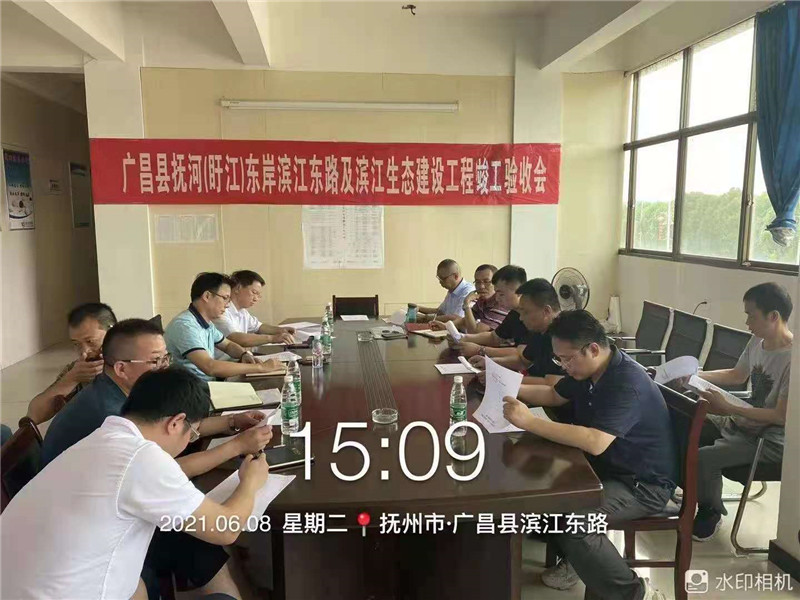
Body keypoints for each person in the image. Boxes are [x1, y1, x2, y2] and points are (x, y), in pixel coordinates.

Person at [1, 367, 270, 600]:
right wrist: (251, 482)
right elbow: (226, 528)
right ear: (176, 423)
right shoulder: (141, 459)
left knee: (157, 564)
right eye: (193, 433)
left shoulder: (103, 440)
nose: (190, 439)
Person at [503, 310, 676, 600]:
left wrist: (529, 422)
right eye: (559, 359)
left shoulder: (626, 382)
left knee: (576, 523)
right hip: (609, 468)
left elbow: (596, 442)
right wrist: (504, 387)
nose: (564, 366)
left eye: (567, 359)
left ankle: (638, 594)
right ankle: (581, 560)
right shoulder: (591, 370)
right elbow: (554, 395)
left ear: (593, 349)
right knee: (540, 486)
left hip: (643, 485)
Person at [690, 282, 793, 542]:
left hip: (769, 439)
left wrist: (729, 408)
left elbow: (780, 417)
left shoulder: (793, 360)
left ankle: (710, 511)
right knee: (690, 419)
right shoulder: (757, 341)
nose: (747, 323)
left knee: (704, 457)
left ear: (773, 316)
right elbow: (737, 375)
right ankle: (693, 491)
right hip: (744, 421)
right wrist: (695, 375)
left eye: (751, 316)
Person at [164, 272, 281, 381]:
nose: (227, 305)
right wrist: (260, 367)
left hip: (208, 384)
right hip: (192, 389)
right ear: (207, 296)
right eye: (225, 298)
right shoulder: (185, 326)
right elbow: (210, 366)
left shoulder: (207, 323)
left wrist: (243, 354)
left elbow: (228, 345)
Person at [27, 302, 117, 424]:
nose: (84, 352)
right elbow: (33, 416)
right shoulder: (79, 369)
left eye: (91, 341)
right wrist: (72, 378)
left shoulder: (135, 364)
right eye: (76, 344)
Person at [469, 278, 564, 385]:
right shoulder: (540, 330)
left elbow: (551, 383)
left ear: (546, 311)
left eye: (525, 312)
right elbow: (523, 361)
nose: (521, 318)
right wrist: (490, 363)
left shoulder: (564, 335)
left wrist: (501, 378)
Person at [214, 269, 296, 359]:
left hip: (240, 358)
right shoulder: (221, 311)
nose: (256, 299)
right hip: (224, 361)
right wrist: (273, 338)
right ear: (238, 288)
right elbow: (235, 338)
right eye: (254, 293)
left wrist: (281, 330)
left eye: (258, 295)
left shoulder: (242, 312)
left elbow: (259, 327)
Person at [450, 265, 528, 359]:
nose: (497, 298)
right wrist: (463, 337)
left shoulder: (532, 316)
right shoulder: (514, 313)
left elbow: (522, 354)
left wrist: (480, 350)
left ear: (519, 292)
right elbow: (494, 337)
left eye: (501, 294)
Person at [430, 264, 508, 334]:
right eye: (477, 282)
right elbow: (464, 321)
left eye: (486, 282)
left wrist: (466, 304)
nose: (481, 286)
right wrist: (445, 326)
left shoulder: (501, 304)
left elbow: (474, 331)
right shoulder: (482, 300)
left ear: (496, 283)